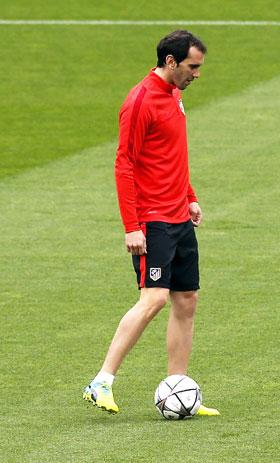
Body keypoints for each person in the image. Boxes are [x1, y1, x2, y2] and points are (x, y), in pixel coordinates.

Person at [83, 30, 218, 416]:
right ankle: (101, 381)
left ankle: (178, 387)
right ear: (171, 62)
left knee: (186, 300)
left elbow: (173, 154)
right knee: (154, 298)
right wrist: (132, 226)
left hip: (178, 216)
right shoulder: (140, 100)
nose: (197, 74)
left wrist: (190, 196)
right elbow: (124, 162)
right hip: (153, 219)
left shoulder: (175, 95)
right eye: (193, 66)